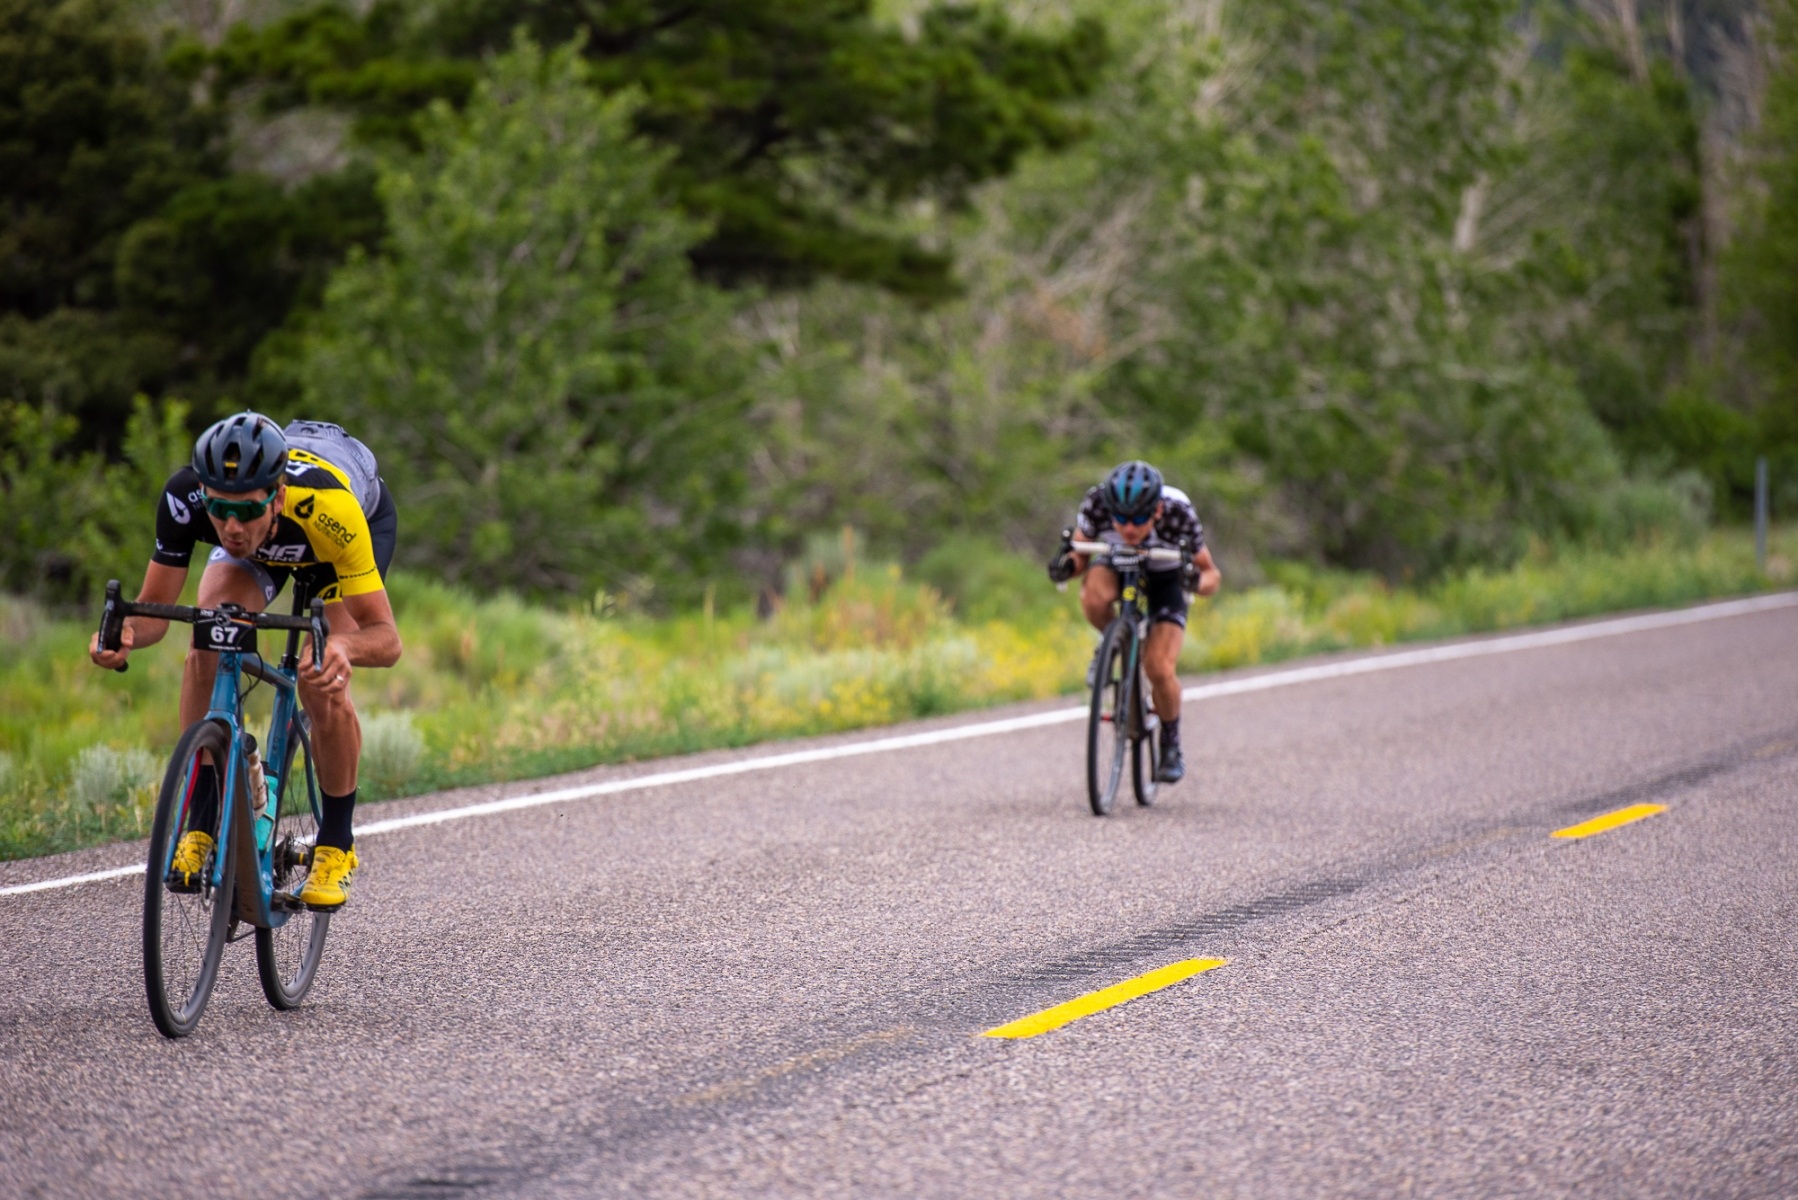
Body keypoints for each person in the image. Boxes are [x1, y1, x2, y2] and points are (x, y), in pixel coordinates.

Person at [88, 413, 402, 910]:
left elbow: (385, 640)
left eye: (246, 511)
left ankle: (337, 843)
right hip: (268, 550)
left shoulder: (330, 510)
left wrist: (343, 647)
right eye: (218, 510)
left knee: (320, 676)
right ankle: (203, 820)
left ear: (276, 497)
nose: (231, 528)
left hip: (329, 541)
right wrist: (126, 633)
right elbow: (155, 614)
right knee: (207, 635)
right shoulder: (184, 499)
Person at [1048, 460, 1221, 783]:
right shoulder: (1097, 503)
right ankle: (1113, 641)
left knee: (1158, 667)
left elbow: (1212, 574)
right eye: (1122, 519)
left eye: (1139, 519)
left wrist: (1193, 582)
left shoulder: (1177, 512)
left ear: (1156, 511)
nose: (1129, 528)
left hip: (1167, 576)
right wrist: (1065, 567)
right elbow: (1081, 556)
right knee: (1093, 596)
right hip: (1117, 565)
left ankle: (1170, 742)